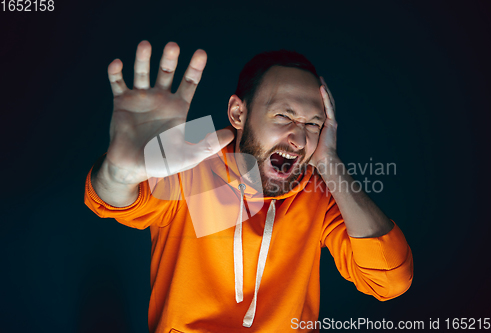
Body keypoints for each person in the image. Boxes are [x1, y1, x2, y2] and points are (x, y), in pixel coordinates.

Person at [84, 40, 413, 332]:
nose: (298, 139)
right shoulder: (189, 164)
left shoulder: (321, 194)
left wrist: (329, 163)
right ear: (238, 113)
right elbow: (114, 200)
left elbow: (390, 281)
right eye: (283, 117)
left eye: (313, 124)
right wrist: (120, 173)